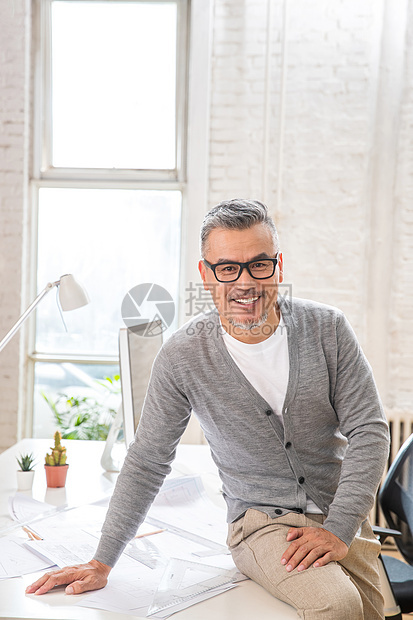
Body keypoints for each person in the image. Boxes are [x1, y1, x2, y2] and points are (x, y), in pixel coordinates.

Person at [27, 199, 390, 619]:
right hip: (261, 523)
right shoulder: (184, 355)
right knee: (338, 606)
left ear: (279, 266)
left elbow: (369, 431)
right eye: (227, 268)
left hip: (340, 514)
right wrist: (102, 561)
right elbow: (147, 460)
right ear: (205, 274)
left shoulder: (327, 328)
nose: (245, 282)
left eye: (259, 264)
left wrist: (340, 527)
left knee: (370, 611)